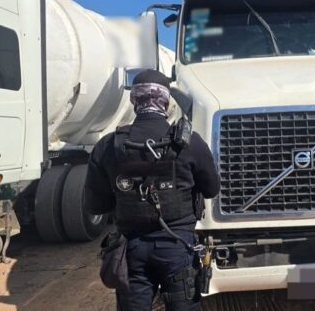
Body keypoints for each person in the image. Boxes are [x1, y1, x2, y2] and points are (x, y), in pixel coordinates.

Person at [84, 69, 220, 311]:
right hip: (178, 246)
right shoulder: (190, 142)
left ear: (133, 100)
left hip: (131, 250)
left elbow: (96, 205)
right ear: (166, 102)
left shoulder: (108, 145)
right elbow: (211, 189)